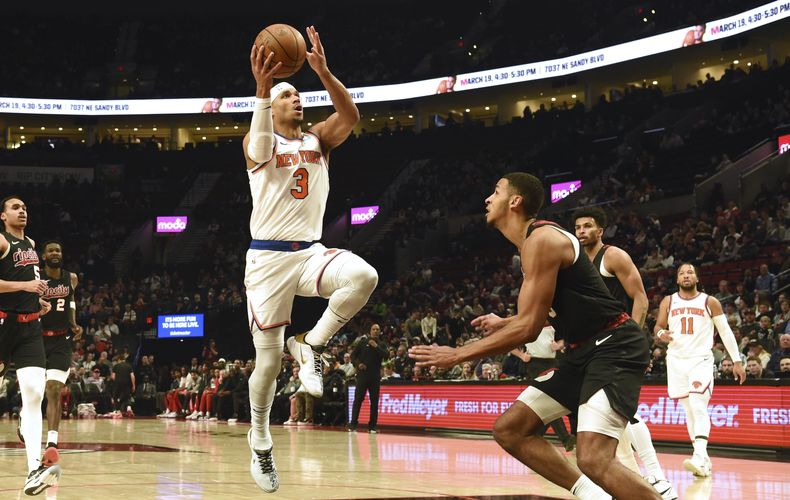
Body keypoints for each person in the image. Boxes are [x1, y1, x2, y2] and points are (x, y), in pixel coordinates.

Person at [410, 173, 660, 499]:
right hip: (581, 352)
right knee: (511, 429)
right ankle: (592, 495)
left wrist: (457, 354)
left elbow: (528, 327)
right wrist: (506, 321)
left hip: (613, 345)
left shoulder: (543, 240)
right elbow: (542, 316)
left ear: (515, 201)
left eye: (496, 191)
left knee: (593, 457)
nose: (487, 199)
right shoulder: (530, 245)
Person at [242, 26, 379, 493]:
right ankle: (260, 439)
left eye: (297, 93)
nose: (295, 100)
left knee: (364, 275)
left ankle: (313, 344)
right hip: (267, 262)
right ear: (271, 106)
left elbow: (351, 114)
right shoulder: (259, 143)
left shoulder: (319, 140)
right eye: (286, 95)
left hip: (310, 252)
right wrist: (262, 89)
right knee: (267, 365)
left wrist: (322, 70)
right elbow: (259, 147)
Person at [574, 207, 676, 499]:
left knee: (623, 411)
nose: (581, 231)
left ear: (600, 231)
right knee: (609, 417)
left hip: (618, 342)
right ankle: (634, 481)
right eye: (578, 227)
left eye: (587, 226)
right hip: (592, 346)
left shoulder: (613, 255)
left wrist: (633, 341)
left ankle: (656, 476)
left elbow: (640, 299)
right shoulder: (578, 263)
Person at [654, 263, 747, 478]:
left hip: (700, 360)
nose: (686, 276)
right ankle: (703, 462)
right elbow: (657, 327)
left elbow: (725, 331)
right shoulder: (668, 301)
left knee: (698, 405)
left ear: (697, 278)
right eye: (682, 273)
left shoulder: (709, 301)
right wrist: (661, 336)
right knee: (689, 410)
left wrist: (737, 360)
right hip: (676, 361)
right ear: (677, 280)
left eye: (690, 272)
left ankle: (698, 455)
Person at [0, 196, 60, 495]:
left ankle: (34, 470)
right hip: (2, 325)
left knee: (35, 394)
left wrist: (37, 301)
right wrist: (24, 287)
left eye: (24, 208)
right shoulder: (1, 241)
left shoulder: (32, 244)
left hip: (30, 327)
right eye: (15, 207)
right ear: (3, 215)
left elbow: (26, 281)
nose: (22, 211)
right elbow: (16, 282)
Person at [28, 241, 83, 462]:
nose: (55, 253)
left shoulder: (72, 278)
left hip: (61, 340)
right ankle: (26, 420)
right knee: (34, 392)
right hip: (36, 339)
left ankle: (52, 443)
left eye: (58, 250)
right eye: (50, 250)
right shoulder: (36, 280)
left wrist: (74, 323)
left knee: (53, 389)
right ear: (43, 256)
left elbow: (70, 302)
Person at [348, 323, 389, 433]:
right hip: (362, 375)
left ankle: (372, 426)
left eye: (377, 329)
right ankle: (353, 425)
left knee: (374, 401)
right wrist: (358, 364)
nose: (375, 331)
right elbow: (353, 356)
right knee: (358, 400)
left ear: (380, 332)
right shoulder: (363, 342)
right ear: (370, 331)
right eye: (374, 329)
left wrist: (376, 346)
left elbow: (386, 355)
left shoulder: (381, 344)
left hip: (375, 376)